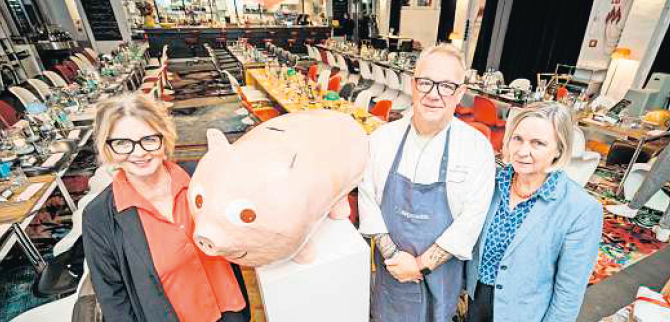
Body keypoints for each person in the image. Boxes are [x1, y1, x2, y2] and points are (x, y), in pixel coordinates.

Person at [358, 44, 496, 322]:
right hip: (391, 270)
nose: (434, 94)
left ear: (460, 93)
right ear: (413, 84)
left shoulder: (476, 148)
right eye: (425, 83)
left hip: (442, 276)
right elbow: (368, 198)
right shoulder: (381, 139)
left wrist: (420, 266)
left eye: (446, 86)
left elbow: (471, 220)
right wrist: (396, 259)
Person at [82, 94, 250, 322]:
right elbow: (113, 298)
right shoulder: (99, 216)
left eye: (149, 139)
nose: (139, 152)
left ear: (165, 138)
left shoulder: (201, 177)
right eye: (122, 143)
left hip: (231, 313)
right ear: (108, 148)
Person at [465, 103, 604, 322]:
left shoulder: (582, 210)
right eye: (517, 139)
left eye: (537, 143)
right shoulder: (492, 183)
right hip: (476, 301)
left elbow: (569, 293)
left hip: (524, 313)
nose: (522, 151)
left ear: (559, 149)